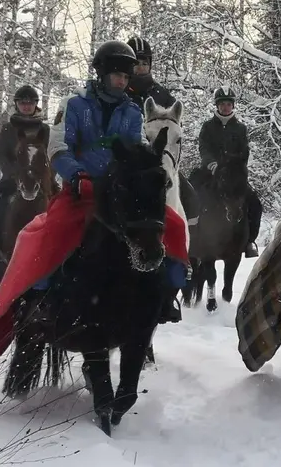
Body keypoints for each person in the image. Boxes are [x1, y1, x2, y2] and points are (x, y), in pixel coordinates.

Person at [43, 39, 188, 322]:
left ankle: (168, 291)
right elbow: (58, 148)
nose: (122, 81)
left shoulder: (132, 112)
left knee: (173, 225)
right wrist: (76, 175)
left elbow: (134, 153)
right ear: (102, 74)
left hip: (119, 193)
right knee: (53, 230)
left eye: (126, 76)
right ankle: (39, 296)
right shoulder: (73, 105)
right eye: (117, 75)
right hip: (80, 190)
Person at [0, 85, 48, 291]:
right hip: (12, 180)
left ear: (35, 105)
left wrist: (42, 177)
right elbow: (1, 156)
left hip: (41, 179)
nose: (26, 106)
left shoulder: (45, 129)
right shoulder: (8, 128)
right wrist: (16, 175)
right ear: (16, 105)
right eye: (22, 103)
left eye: (29, 103)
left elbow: (50, 154)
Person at [126, 36, 199, 235]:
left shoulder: (162, 94)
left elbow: (175, 127)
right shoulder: (121, 92)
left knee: (191, 199)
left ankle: (188, 249)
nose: (140, 68)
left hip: (163, 158)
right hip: (133, 158)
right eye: (136, 64)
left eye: (144, 63)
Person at [197, 86, 262, 258]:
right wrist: (212, 164)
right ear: (217, 106)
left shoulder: (240, 128)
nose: (225, 107)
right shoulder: (208, 127)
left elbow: (244, 151)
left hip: (233, 176)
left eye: (228, 104)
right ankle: (193, 239)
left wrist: (235, 167)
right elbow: (204, 148)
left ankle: (249, 241)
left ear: (233, 106)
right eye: (222, 104)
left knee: (255, 203)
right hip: (210, 173)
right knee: (192, 196)